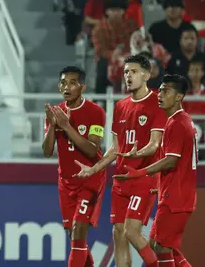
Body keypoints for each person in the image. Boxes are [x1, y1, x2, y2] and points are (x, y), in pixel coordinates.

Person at [74, 54, 168, 267]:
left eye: (133, 72)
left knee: (132, 232)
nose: (128, 76)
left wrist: (137, 154)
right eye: (126, 72)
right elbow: (116, 148)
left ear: (146, 75)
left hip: (144, 177)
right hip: (121, 179)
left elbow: (155, 144)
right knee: (118, 233)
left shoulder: (156, 102)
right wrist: (93, 169)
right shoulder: (120, 106)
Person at [113, 74, 196, 267]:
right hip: (174, 195)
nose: (160, 95)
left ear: (179, 96)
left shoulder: (176, 123)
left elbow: (170, 161)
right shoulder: (180, 121)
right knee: (157, 244)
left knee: (161, 246)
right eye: (159, 90)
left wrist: (140, 172)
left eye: (166, 91)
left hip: (176, 197)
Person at [42, 66, 106, 267]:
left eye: (72, 82)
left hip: (90, 179)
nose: (66, 87)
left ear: (83, 87)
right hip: (66, 182)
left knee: (79, 231)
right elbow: (46, 151)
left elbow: (92, 149)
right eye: (63, 82)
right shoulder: (55, 113)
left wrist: (67, 127)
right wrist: (52, 126)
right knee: (75, 238)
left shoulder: (96, 112)